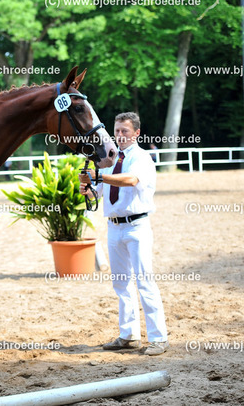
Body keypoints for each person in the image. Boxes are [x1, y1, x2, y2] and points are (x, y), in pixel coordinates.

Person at [79, 112, 169, 356]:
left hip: (137, 226)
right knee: (121, 284)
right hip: (114, 226)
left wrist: (100, 175)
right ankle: (128, 335)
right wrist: (87, 188)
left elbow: (130, 180)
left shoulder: (141, 158)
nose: (120, 136)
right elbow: (98, 193)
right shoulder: (110, 160)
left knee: (144, 280)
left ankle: (159, 338)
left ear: (136, 133)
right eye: (117, 131)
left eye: (125, 131)